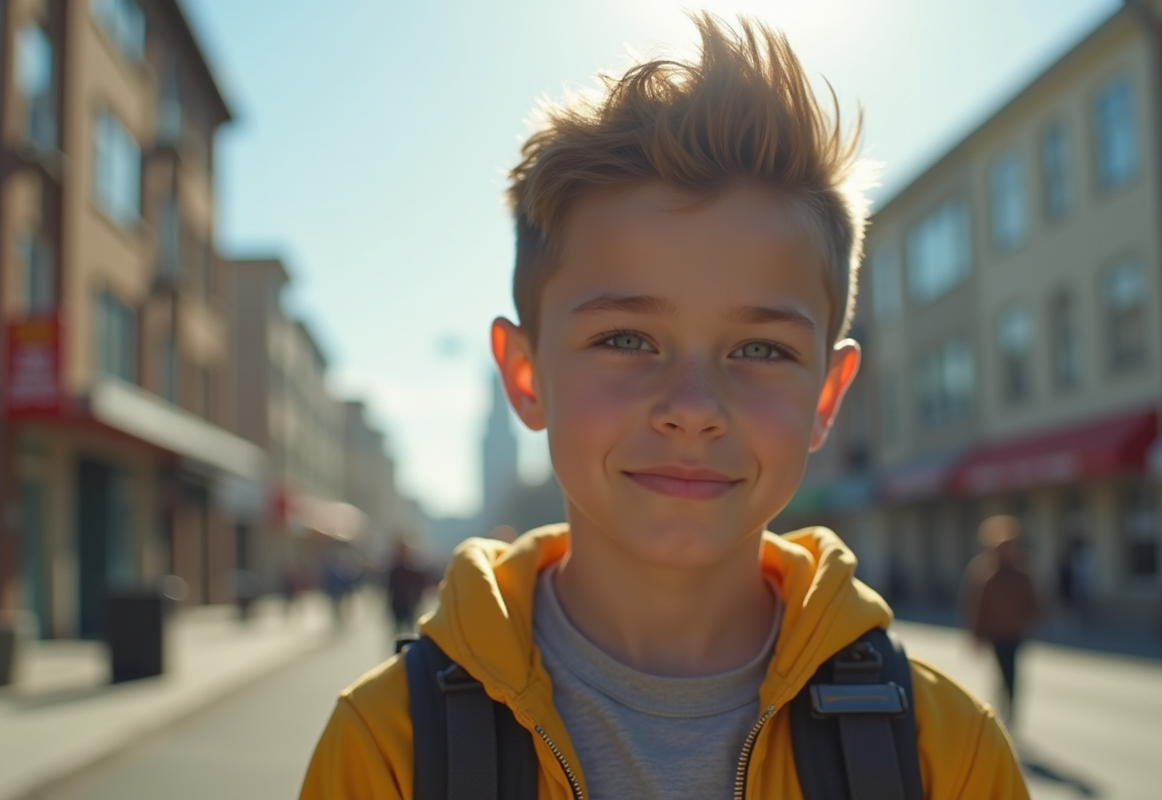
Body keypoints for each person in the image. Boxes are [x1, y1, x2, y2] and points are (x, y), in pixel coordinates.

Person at [300, 14, 1028, 799]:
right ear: (525, 374)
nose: (692, 409)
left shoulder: (944, 755)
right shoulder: (388, 749)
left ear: (827, 397)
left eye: (760, 350)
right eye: (625, 339)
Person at [962, 515, 1041, 729]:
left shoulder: (1021, 571)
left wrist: (1035, 617)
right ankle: (1001, 709)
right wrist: (976, 635)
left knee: (1012, 672)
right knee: (1001, 672)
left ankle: (1011, 710)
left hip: (1014, 632)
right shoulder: (984, 572)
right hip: (995, 633)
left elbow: (1031, 599)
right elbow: (977, 606)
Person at [386, 542, 429, 634]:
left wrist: (418, 601)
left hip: (410, 604)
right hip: (398, 603)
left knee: (409, 630)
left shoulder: (413, 570)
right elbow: (390, 588)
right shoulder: (395, 570)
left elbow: (420, 587)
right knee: (397, 628)